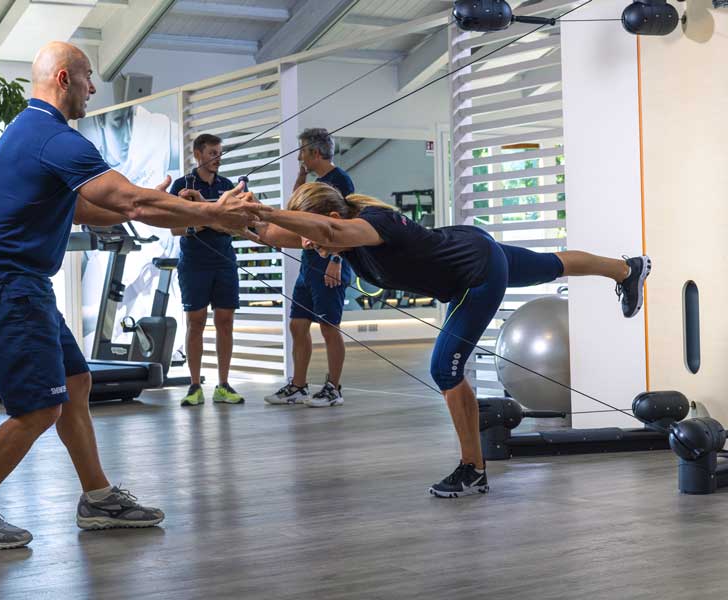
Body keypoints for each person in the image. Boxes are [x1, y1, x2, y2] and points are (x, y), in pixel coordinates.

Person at [0, 41, 262, 550]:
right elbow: (129, 200)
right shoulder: (53, 137)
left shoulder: (29, 133)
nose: (93, 87)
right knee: (38, 409)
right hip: (6, 285)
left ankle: (98, 498)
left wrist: (168, 206)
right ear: (64, 78)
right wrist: (211, 213)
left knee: (76, 382)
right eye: (88, 76)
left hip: (21, 284)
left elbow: (87, 209)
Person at [252, 182, 651, 497]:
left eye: (309, 234)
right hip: (471, 246)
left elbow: (325, 231)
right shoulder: (339, 234)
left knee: (444, 369)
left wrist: (267, 212)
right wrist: (225, 213)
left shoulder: (371, 224)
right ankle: (626, 269)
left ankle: (472, 470)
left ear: (334, 216)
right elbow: (270, 232)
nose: (307, 245)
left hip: (475, 274)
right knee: (551, 265)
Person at [264, 129, 354, 408]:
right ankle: (298, 386)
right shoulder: (316, 182)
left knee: (329, 327)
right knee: (297, 325)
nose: (299, 157)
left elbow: (345, 225)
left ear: (315, 152)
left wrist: (336, 261)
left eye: (302, 151)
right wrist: (301, 177)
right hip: (309, 264)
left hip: (329, 264)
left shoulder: (339, 181)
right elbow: (293, 214)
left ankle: (333, 389)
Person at [169, 134, 244, 406]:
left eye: (220, 153)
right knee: (196, 323)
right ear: (198, 154)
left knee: (225, 322)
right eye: (213, 152)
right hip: (194, 264)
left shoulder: (227, 187)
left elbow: (238, 227)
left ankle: (223, 385)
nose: (218, 158)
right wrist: (208, 223)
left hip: (224, 261)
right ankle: (194, 386)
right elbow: (175, 228)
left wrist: (205, 220)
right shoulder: (182, 185)